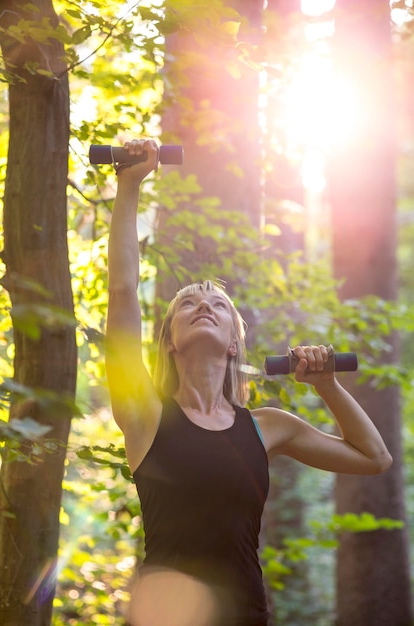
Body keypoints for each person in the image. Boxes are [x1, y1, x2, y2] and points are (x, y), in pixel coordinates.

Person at [105, 139, 393, 626]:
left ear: (234, 342)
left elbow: (374, 459)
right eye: (189, 305)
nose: (203, 306)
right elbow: (122, 290)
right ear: (170, 341)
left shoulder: (267, 427)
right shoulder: (144, 414)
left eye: (217, 305)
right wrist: (130, 185)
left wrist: (326, 386)